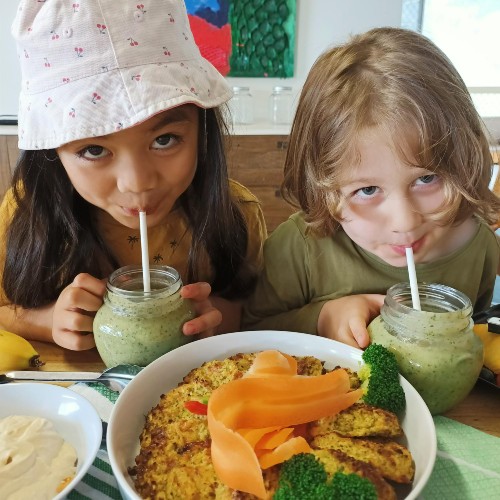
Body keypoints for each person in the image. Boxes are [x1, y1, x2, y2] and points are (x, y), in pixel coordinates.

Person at [0, 0, 267, 350]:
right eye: (94, 150)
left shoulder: (235, 215)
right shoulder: (27, 213)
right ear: (52, 150)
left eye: (165, 139)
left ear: (202, 129)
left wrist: (216, 317)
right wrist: (46, 320)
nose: (137, 182)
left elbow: (257, 308)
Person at [242, 27, 500, 349]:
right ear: (324, 189)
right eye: (366, 191)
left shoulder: (480, 248)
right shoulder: (298, 250)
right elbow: (250, 332)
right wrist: (322, 318)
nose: (404, 222)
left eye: (426, 178)